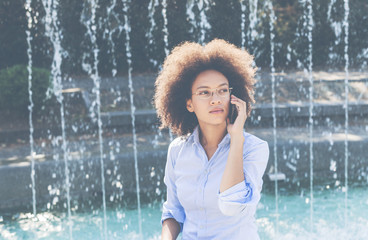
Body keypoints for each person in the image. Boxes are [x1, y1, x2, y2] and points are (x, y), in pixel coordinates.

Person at [154, 39, 269, 240]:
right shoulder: (177, 150)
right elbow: (174, 211)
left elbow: (232, 205)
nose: (215, 99)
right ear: (189, 104)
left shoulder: (254, 149)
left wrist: (236, 139)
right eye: (204, 92)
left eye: (223, 90)